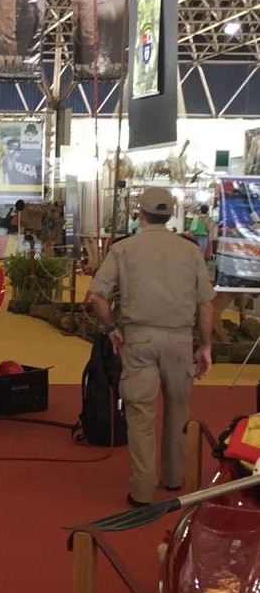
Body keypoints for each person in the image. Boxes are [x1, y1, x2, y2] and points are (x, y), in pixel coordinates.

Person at [86, 186, 215, 508]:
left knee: (141, 416)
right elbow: (206, 304)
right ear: (171, 213)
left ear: (139, 213)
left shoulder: (123, 249)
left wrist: (112, 329)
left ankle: (142, 491)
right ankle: (174, 478)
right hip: (180, 341)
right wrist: (206, 346)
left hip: (138, 340)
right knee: (178, 412)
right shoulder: (190, 251)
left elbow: (96, 297)